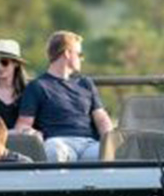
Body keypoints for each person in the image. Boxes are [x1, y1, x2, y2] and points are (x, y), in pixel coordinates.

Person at [14, 31, 113, 162]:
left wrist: (110, 141)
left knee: (108, 153)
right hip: (58, 142)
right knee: (54, 151)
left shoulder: (86, 84)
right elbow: (22, 125)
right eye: (79, 54)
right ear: (67, 53)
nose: (81, 59)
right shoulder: (37, 86)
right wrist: (31, 133)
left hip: (89, 144)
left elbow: (101, 119)